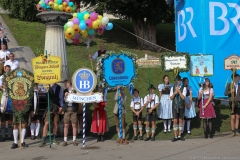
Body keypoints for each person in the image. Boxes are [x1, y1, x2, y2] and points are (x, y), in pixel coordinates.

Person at [62, 80, 78, 146]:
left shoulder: (75, 90)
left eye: (66, 83)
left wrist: (73, 94)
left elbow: (78, 98)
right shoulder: (64, 90)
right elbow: (62, 100)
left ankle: (74, 140)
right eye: (64, 83)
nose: (65, 84)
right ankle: (65, 141)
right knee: (66, 125)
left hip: (73, 108)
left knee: (74, 125)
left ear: (69, 83)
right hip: (67, 108)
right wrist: (65, 96)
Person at [170, 75, 186, 142]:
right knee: (175, 120)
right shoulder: (172, 88)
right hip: (174, 106)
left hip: (181, 105)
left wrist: (179, 92)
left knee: (181, 120)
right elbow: (171, 98)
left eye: (179, 80)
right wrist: (175, 93)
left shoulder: (183, 88)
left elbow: (183, 97)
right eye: (177, 80)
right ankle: (175, 135)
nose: (178, 82)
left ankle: (180, 135)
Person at [224, 73, 240, 138]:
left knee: (237, 117)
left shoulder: (239, 85)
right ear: (234, 78)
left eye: (238, 78)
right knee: (232, 117)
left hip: (238, 102)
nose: (238, 79)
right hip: (232, 102)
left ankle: (237, 130)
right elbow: (225, 93)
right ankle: (232, 131)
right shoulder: (229, 85)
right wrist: (231, 91)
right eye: (237, 77)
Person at [0, 65, 13, 142]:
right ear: (4, 69)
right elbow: (0, 86)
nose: (8, 70)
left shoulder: (12, 76)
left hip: (10, 100)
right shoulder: (2, 77)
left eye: (9, 69)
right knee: (3, 121)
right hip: (3, 99)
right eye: (6, 69)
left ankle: (10, 135)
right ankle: (3, 136)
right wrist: (4, 88)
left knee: (10, 121)